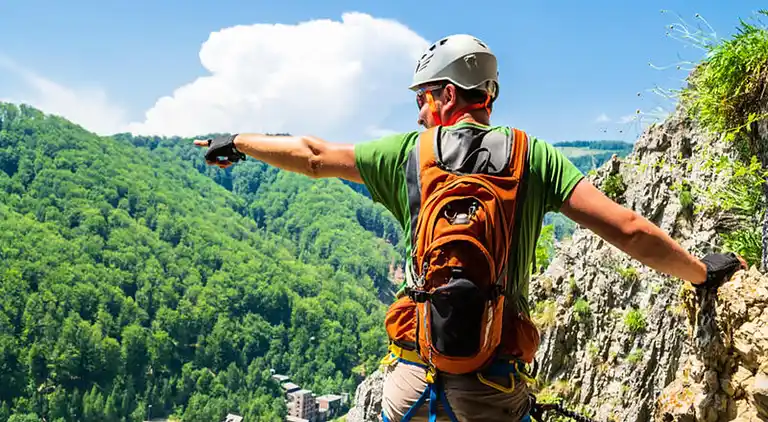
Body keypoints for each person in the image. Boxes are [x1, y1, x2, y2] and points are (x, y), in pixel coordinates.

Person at [195, 34, 747, 422]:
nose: (417, 114)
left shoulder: (408, 154)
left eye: (422, 98)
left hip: (413, 381)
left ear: (447, 94)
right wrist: (702, 272)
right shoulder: (534, 158)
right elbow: (627, 229)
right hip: (492, 387)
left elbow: (313, 156)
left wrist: (239, 142)